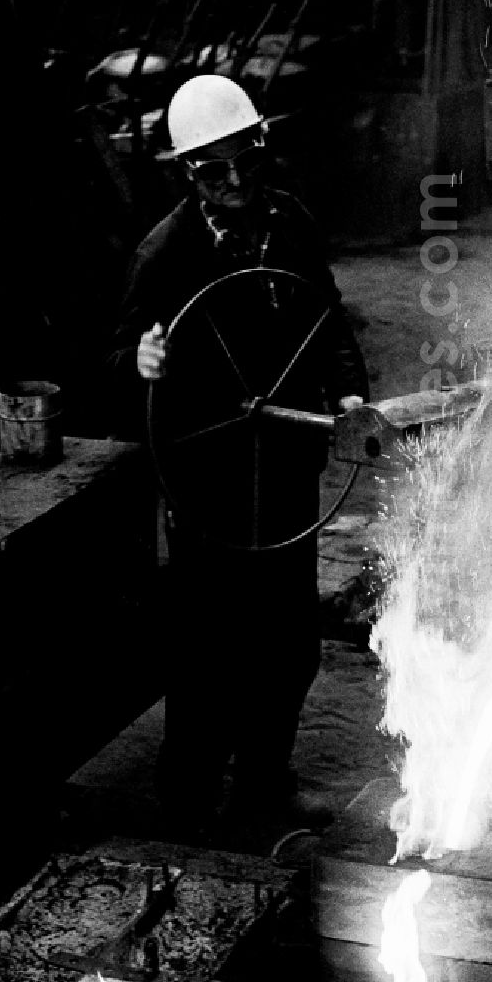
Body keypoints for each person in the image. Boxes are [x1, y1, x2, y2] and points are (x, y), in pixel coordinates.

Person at [107, 74, 369, 834]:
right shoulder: (166, 254)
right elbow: (119, 353)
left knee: (287, 643)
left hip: (286, 470)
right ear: (188, 173)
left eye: (245, 162)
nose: (234, 184)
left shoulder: (291, 226)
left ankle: (264, 782)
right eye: (212, 170)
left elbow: (329, 322)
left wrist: (349, 396)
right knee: (206, 652)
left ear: (261, 147)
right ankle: (187, 801)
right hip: (208, 484)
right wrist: (141, 362)